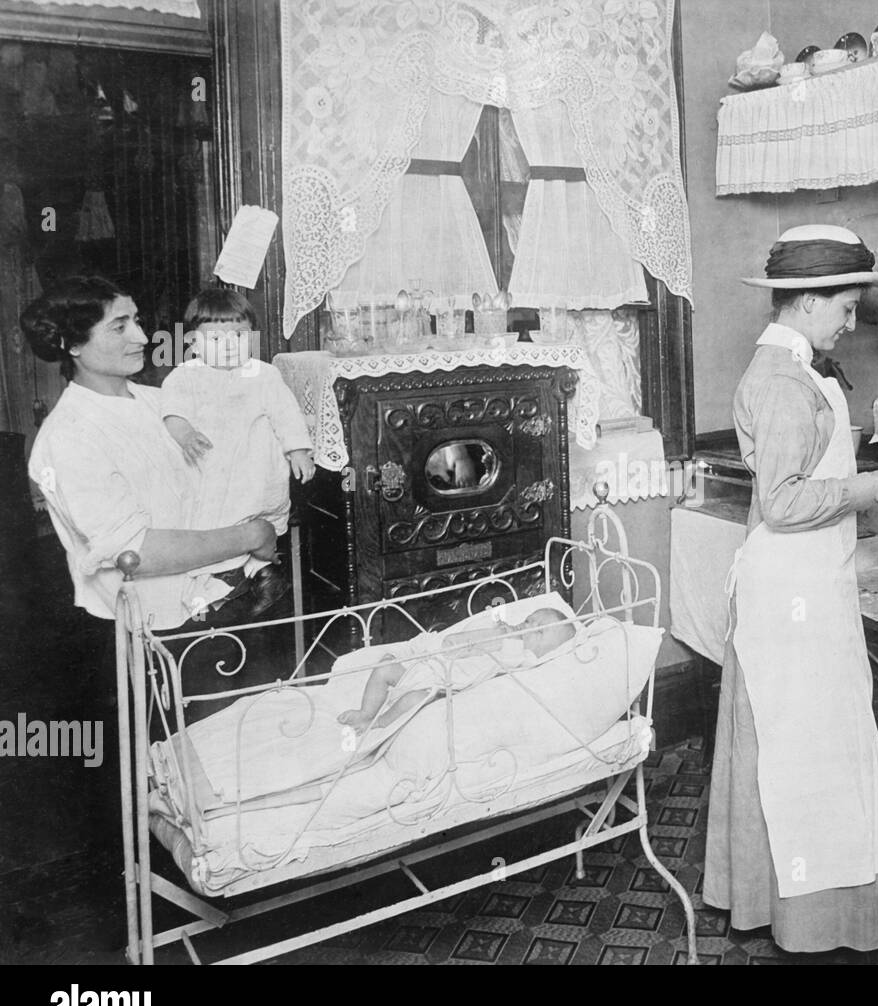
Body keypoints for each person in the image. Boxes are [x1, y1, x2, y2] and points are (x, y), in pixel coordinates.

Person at [704, 224, 878, 962]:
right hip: (786, 593)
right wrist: (869, 484)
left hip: (814, 579)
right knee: (804, 756)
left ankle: (798, 911)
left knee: (818, 751)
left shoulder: (806, 369)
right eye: (844, 306)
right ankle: (810, 925)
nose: (851, 321)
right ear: (804, 300)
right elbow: (783, 502)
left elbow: (817, 484)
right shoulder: (777, 381)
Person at [23, 276, 279, 635]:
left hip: (226, 595)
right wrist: (253, 534)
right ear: (74, 345)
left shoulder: (158, 402)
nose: (142, 338)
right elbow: (135, 552)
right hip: (156, 626)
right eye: (118, 327)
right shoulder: (67, 437)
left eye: (137, 321)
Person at [160, 287, 314, 615]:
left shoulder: (264, 374)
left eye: (240, 335)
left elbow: (286, 414)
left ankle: (262, 570)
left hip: (255, 471)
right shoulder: (185, 376)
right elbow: (172, 412)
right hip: (210, 471)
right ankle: (220, 580)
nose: (230, 346)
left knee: (262, 521)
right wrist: (185, 433)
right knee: (211, 526)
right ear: (193, 343)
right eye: (216, 339)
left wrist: (298, 450)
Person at [338, 609, 577, 731]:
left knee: (416, 698)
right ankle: (365, 713)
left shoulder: (520, 655)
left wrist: (501, 638)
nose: (529, 626)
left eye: (539, 630)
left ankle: (381, 721)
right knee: (384, 666)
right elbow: (459, 644)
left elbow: (509, 666)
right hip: (430, 668)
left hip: (443, 684)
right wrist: (496, 630)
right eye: (529, 620)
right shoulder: (505, 636)